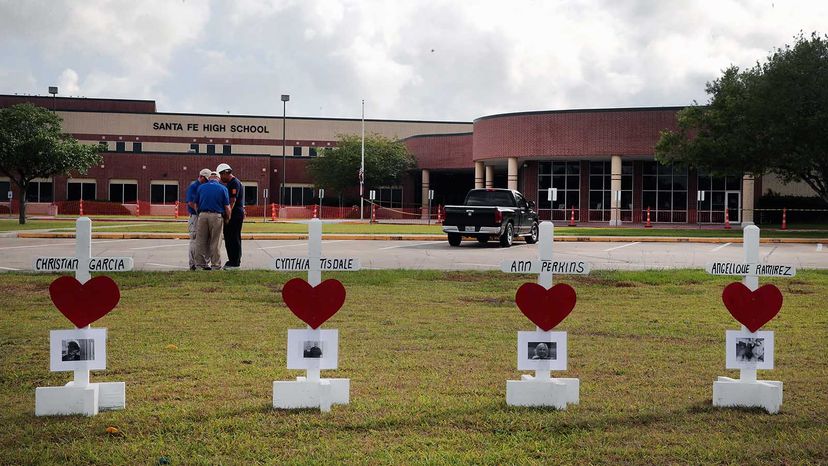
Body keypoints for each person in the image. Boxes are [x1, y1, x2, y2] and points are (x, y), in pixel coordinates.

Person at [194, 172, 230, 270]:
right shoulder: (223, 188)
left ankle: (200, 265)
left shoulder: (201, 188)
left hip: (202, 215)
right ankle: (215, 265)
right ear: (218, 178)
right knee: (215, 242)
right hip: (216, 216)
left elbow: (195, 204)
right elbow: (227, 207)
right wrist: (227, 218)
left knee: (200, 241)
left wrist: (199, 215)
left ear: (209, 178)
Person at [217, 163, 245, 270]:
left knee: (233, 237)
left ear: (225, 173)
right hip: (234, 214)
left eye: (221, 175)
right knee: (229, 237)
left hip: (234, 214)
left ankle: (235, 262)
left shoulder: (234, 183)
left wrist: (227, 216)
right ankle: (232, 260)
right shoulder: (230, 183)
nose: (220, 178)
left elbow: (232, 201)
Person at [185, 169, 212, 271]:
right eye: (206, 179)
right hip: (195, 216)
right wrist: (199, 212)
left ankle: (203, 263)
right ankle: (193, 264)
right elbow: (191, 202)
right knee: (195, 239)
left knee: (206, 240)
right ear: (201, 177)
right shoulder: (194, 186)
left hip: (203, 215)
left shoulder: (204, 186)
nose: (207, 182)